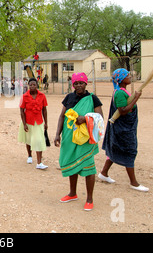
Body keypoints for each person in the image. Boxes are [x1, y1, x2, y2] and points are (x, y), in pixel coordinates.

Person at [54, 72, 103, 211]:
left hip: (85, 138)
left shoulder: (92, 98)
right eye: (76, 83)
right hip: (69, 137)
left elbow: (100, 117)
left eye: (81, 83)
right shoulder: (69, 97)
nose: (78, 85)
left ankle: (89, 199)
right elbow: (62, 116)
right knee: (72, 163)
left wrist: (85, 118)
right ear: (72, 84)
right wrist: (57, 134)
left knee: (88, 167)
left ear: (86, 83)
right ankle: (72, 193)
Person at [99, 69, 149, 192]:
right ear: (121, 79)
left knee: (115, 149)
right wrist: (136, 98)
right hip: (123, 129)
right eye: (127, 75)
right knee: (129, 151)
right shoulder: (120, 93)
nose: (130, 77)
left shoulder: (121, 91)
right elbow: (123, 110)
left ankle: (104, 173)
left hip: (124, 128)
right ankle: (134, 183)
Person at [18, 78, 49, 169]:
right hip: (28, 121)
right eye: (30, 85)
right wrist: (24, 124)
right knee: (29, 140)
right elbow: (21, 110)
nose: (32, 86)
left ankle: (39, 163)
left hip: (38, 121)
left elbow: (44, 110)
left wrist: (46, 122)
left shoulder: (42, 96)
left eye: (34, 85)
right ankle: (29, 156)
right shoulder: (24, 96)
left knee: (39, 140)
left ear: (37, 85)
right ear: (28, 85)